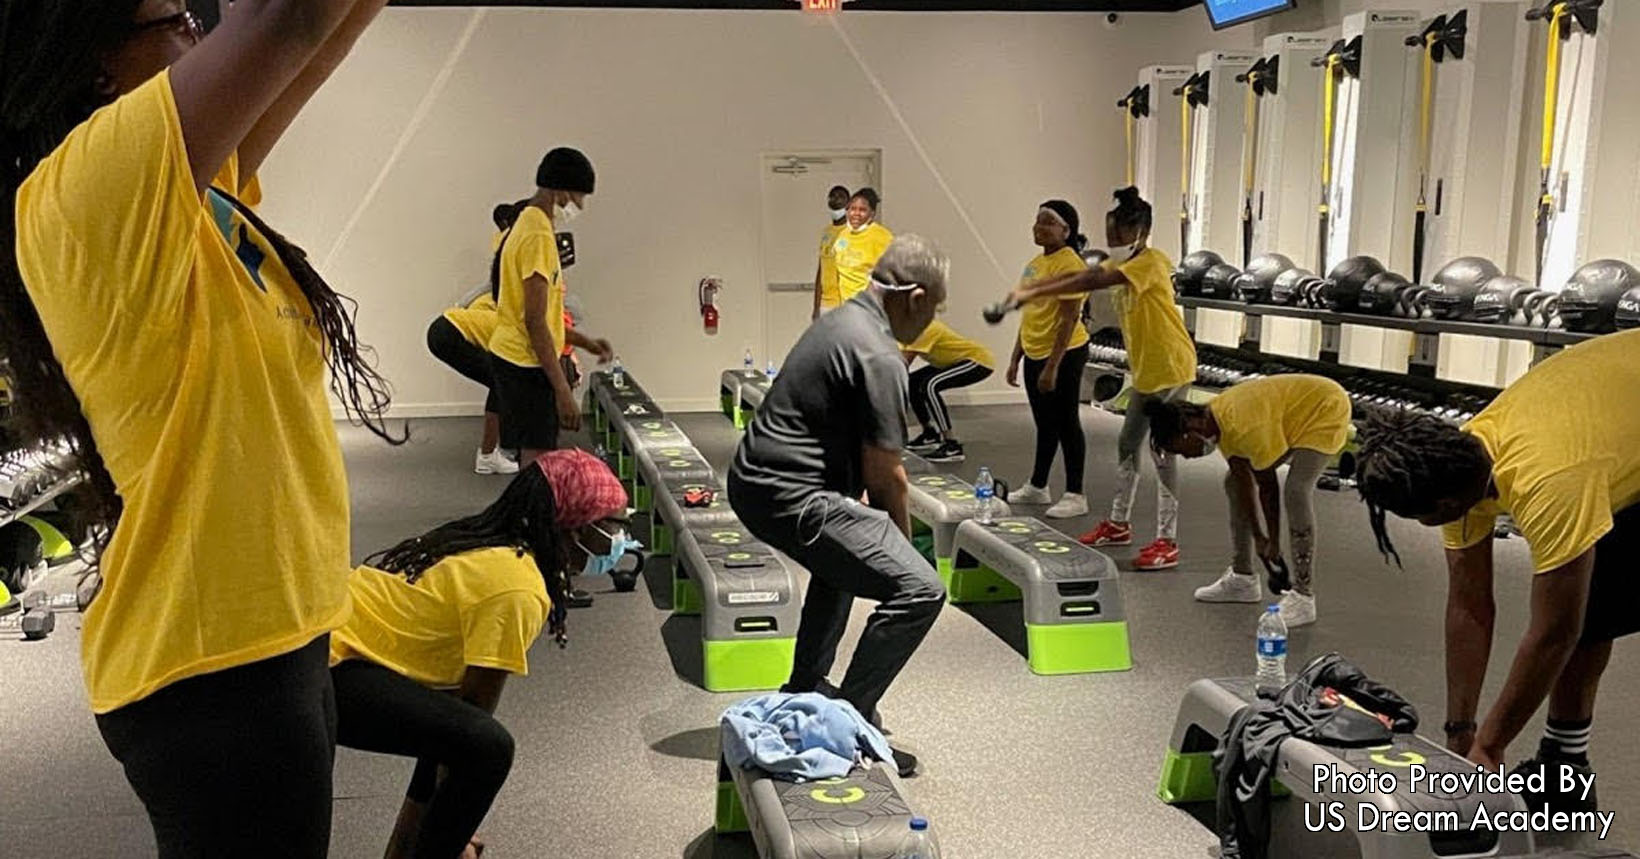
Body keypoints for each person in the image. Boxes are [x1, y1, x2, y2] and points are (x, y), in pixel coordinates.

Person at [1, 0, 400, 854]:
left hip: (271, 638)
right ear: (97, 59)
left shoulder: (190, 195)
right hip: (211, 669)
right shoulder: (90, 188)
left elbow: (314, 45)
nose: (202, 32)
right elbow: (288, 24)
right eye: (180, 18)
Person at [1353, 329, 1640, 811]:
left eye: (1420, 517)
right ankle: (1564, 770)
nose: (1424, 525)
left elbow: (1554, 632)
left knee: (1580, 612)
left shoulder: (1547, 481)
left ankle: (1562, 772)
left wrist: (1492, 743)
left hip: (1585, 445)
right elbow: (1469, 606)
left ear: (1444, 504)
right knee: (1596, 603)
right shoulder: (1463, 456)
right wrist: (1461, 731)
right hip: (1610, 420)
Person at [331, 450, 633, 859]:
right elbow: (472, 721)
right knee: (486, 748)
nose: (622, 540)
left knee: (456, 733)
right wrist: (448, 838)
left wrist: (432, 833)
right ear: (576, 526)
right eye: (614, 525)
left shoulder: (496, 547)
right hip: (330, 663)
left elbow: (450, 727)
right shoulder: (518, 590)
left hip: (333, 636)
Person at [728, 235, 949, 777]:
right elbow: (886, 477)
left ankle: (805, 685)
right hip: (790, 494)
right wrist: (903, 553)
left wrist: (875, 541)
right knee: (921, 590)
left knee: (843, 560)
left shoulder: (844, 318)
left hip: (761, 481)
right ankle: (849, 726)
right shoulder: (878, 353)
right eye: (935, 308)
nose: (933, 320)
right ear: (915, 297)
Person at [1006, 187, 1197, 570]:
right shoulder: (1126, 265)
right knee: (1127, 445)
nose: (1112, 241)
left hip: (1171, 367)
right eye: (1109, 234)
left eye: (1118, 235)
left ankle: (1167, 540)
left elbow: (1098, 281)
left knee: (1162, 454)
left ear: (1140, 232)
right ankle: (1119, 524)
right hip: (1145, 370)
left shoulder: (1152, 263)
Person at [1144, 375, 1353, 626]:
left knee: (1296, 490)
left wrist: (1273, 542)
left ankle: (1303, 596)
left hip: (1325, 406)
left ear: (1189, 429)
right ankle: (1243, 578)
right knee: (1232, 483)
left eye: (1179, 449)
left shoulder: (1243, 425)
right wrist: (1259, 539)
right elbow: (1244, 484)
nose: (1185, 457)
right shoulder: (1219, 423)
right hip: (1289, 414)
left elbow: (1267, 488)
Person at [487, 148, 614, 460]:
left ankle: (533, 507)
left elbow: (541, 313)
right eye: (579, 196)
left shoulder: (528, 223)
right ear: (559, 190)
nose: (581, 205)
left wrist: (583, 341)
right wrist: (561, 390)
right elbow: (534, 320)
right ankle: (536, 510)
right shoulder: (537, 236)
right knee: (539, 460)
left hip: (514, 357)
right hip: (525, 364)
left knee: (535, 457)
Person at [1003, 201, 1093, 519]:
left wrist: (1053, 367)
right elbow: (1029, 313)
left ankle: (1075, 493)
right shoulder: (1034, 264)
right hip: (1035, 349)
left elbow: (1068, 320)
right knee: (1045, 423)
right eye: (1037, 221)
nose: (1039, 227)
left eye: (1048, 223)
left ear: (1066, 231)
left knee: (1067, 421)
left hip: (1065, 351)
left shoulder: (1070, 265)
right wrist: (1016, 358)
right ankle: (1038, 486)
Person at [901, 319, 995, 463]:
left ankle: (952, 445)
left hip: (976, 361)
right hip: (950, 362)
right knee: (912, 382)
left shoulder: (923, 327)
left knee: (929, 385)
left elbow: (903, 363)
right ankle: (929, 434)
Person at [830, 188, 894, 306]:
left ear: (872, 213)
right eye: (852, 209)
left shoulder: (882, 237)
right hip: (846, 306)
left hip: (871, 307)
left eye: (862, 210)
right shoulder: (843, 235)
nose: (856, 214)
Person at [812, 184, 852, 319]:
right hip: (825, 303)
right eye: (832, 197)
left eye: (841, 197)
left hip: (843, 303)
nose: (836, 200)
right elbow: (821, 270)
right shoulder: (826, 233)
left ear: (849, 203)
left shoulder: (851, 233)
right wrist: (816, 306)